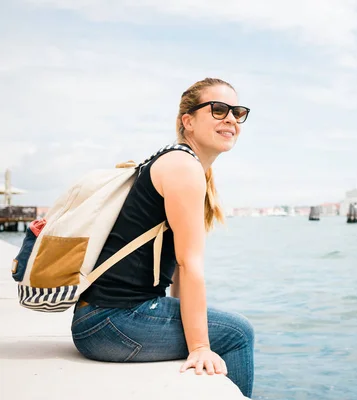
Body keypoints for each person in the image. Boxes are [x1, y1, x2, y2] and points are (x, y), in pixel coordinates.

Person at [70, 78, 254, 398]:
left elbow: (181, 270)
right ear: (188, 121)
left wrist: (195, 335)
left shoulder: (176, 160)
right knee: (238, 333)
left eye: (238, 112)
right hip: (111, 322)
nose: (231, 119)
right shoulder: (183, 167)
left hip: (103, 317)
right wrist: (199, 346)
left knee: (217, 325)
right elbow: (189, 262)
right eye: (219, 109)